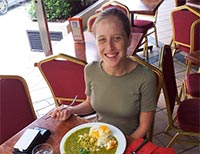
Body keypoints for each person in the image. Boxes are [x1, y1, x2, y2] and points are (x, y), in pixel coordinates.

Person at [50, 8, 157, 141]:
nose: (110, 47)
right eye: (102, 40)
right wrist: (71, 110)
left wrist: (121, 146)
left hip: (130, 142)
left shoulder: (146, 78)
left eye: (117, 38)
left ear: (129, 40)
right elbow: (90, 104)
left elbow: (144, 127)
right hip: (99, 139)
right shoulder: (90, 70)